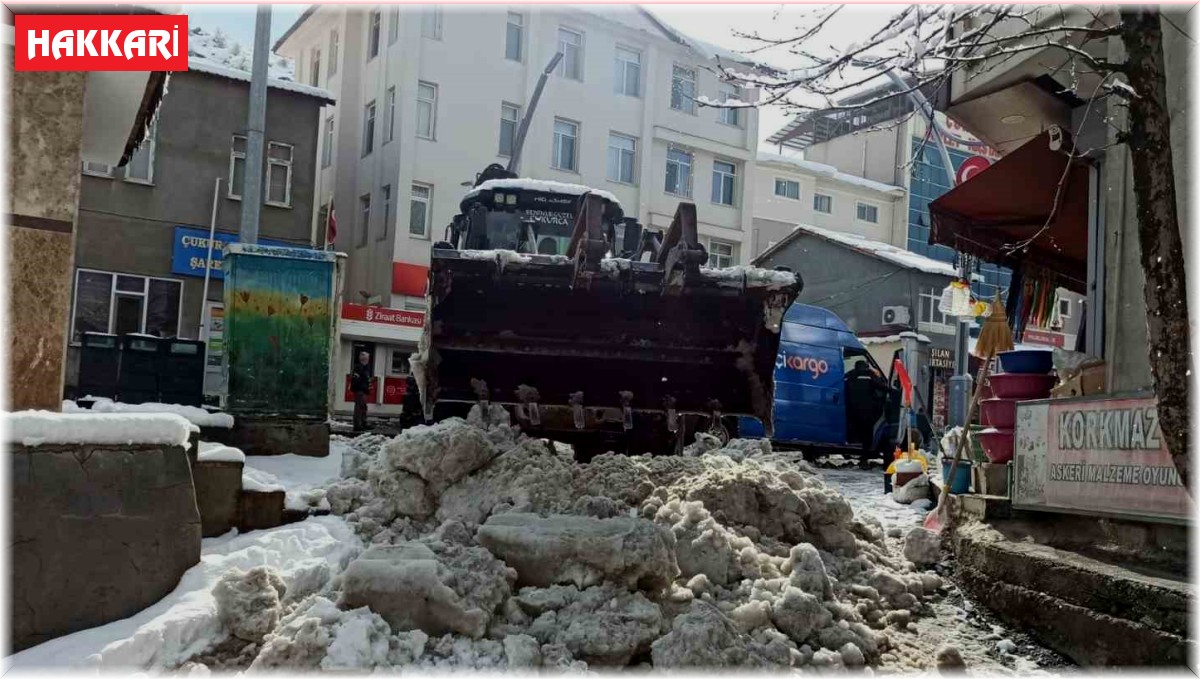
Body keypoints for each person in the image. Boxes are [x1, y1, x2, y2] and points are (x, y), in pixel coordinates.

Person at [844, 359, 888, 450]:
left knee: (854, 426)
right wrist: (893, 391)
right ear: (866, 366)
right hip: (867, 408)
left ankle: (851, 442)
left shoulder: (851, 374)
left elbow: (841, 383)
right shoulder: (869, 375)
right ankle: (866, 450)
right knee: (867, 430)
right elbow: (881, 386)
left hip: (852, 408)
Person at [351, 351, 372, 432]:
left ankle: (363, 423)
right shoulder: (358, 368)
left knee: (363, 407)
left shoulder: (365, 367)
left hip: (363, 391)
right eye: (367, 358)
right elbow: (356, 380)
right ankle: (357, 425)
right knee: (359, 408)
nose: (368, 360)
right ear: (364, 359)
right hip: (360, 391)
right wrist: (364, 387)